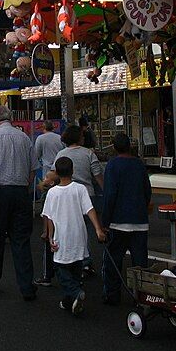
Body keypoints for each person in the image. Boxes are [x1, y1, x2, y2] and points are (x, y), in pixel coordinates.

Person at [0, 105, 37, 300]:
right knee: (21, 239)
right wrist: (25, 187)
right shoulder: (25, 138)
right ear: (11, 119)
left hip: (0, 191)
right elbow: (32, 170)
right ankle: (27, 286)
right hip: (20, 192)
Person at [42, 157, 106, 314]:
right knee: (76, 268)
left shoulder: (52, 192)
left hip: (61, 237)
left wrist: (49, 237)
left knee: (61, 269)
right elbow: (90, 209)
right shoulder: (80, 189)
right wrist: (98, 228)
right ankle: (69, 300)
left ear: (56, 173)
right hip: (78, 235)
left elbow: (48, 218)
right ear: (73, 171)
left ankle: (75, 293)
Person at [101, 132, 151, 305]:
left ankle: (112, 295)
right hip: (139, 220)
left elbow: (109, 195)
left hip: (118, 220)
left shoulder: (113, 165)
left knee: (114, 260)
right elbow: (147, 191)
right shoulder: (139, 165)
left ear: (114, 147)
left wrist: (105, 222)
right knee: (140, 262)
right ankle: (142, 296)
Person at [53, 125, 104, 275]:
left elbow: (55, 174)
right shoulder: (89, 154)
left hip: (67, 196)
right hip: (87, 194)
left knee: (70, 227)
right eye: (82, 135)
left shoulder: (61, 154)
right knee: (86, 229)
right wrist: (105, 190)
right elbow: (98, 176)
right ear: (78, 137)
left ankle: (71, 259)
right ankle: (86, 261)